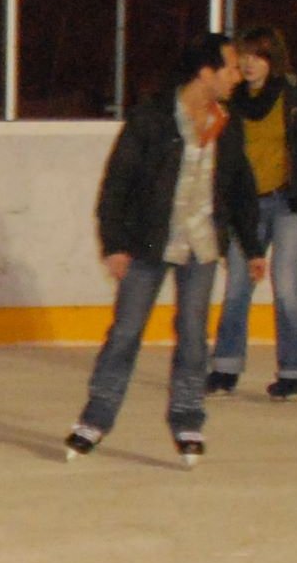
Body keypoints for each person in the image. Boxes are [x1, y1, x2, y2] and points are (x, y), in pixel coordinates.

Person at [65, 31, 263, 468]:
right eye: (230, 67)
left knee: (193, 335)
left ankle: (188, 418)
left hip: (202, 246)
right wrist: (114, 244)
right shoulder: (151, 120)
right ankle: (95, 418)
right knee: (125, 332)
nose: (237, 75)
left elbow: (240, 189)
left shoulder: (226, 126)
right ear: (205, 71)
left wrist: (252, 247)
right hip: (147, 243)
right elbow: (117, 184)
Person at [207, 25, 297, 402]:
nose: (250, 63)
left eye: (259, 56)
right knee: (238, 282)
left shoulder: (294, 93)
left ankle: (295, 373)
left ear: (273, 60)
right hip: (245, 206)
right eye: (244, 55)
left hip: (291, 202)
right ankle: (224, 367)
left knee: (286, 284)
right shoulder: (231, 98)